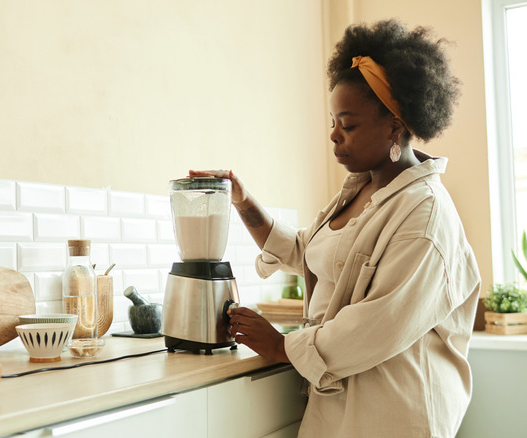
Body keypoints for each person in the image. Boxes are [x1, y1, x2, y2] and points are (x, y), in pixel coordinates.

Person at [191, 19, 481, 437]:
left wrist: (281, 345)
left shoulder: (426, 215)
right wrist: (241, 198)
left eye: (348, 124)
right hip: (340, 407)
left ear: (395, 126)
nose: (334, 136)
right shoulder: (362, 189)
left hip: (395, 414)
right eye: (333, 121)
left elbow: (380, 322)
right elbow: (305, 250)